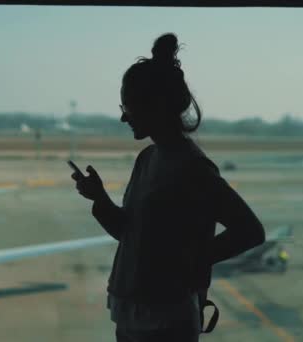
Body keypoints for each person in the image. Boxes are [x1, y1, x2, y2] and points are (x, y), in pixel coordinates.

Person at [70, 33, 266, 342]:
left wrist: (187, 265)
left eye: (129, 106)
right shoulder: (148, 158)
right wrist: (100, 198)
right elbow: (130, 234)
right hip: (133, 315)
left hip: (166, 323)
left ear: (155, 106)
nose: (124, 116)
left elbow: (251, 230)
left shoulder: (192, 169)